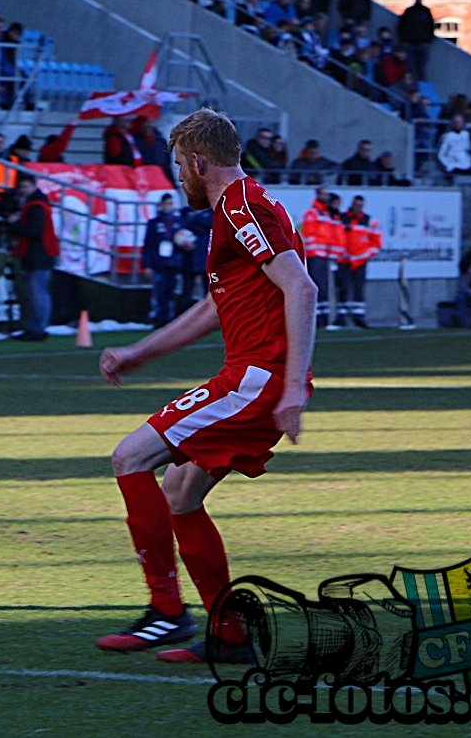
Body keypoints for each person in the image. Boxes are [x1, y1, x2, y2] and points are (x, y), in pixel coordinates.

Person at [95, 109, 316, 664]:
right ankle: (232, 637)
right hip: (255, 376)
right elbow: (215, 308)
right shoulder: (240, 209)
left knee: (130, 456)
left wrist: (290, 388)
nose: (177, 178)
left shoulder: (242, 206)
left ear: (198, 161)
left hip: (257, 379)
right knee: (180, 492)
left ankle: (166, 612)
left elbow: (302, 289)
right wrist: (141, 353)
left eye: (178, 166)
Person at [7, 172, 58, 341]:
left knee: (38, 294)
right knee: (36, 294)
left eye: (24, 186)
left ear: (33, 186)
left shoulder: (35, 206)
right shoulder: (37, 204)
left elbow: (34, 232)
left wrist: (15, 224)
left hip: (38, 255)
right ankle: (35, 328)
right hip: (39, 255)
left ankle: (39, 329)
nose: (22, 190)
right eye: (20, 186)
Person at [299, 185, 342, 327]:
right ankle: (315, 318)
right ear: (317, 194)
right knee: (317, 287)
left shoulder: (325, 214)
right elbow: (309, 236)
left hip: (323, 256)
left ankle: (324, 318)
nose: (326, 197)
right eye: (324, 194)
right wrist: (313, 253)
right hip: (315, 256)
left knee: (324, 288)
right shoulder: (312, 213)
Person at [142, 193, 184, 329]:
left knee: (170, 292)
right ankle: (158, 318)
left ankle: (169, 319)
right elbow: (148, 245)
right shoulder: (154, 223)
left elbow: (185, 242)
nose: (168, 206)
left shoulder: (179, 222)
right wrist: (147, 265)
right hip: (158, 264)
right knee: (159, 292)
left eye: (171, 204)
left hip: (173, 263)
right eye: (166, 204)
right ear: (161, 205)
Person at [337, 195, 379, 327]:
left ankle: (358, 316)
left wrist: (364, 256)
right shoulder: (342, 218)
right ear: (352, 204)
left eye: (360, 205)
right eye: (356, 204)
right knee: (343, 289)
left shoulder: (369, 221)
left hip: (360, 261)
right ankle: (342, 316)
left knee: (359, 289)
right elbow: (335, 237)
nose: (357, 207)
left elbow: (376, 243)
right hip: (344, 260)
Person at [177, 204, 213, 314]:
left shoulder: (213, 211)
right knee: (187, 289)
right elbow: (182, 224)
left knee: (208, 290)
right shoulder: (185, 211)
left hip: (207, 257)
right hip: (189, 258)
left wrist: (194, 218)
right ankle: (184, 315)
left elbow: (213, 223)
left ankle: (208, 316)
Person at [397, 0, 435, 80]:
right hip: (412, 44)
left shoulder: (425, 11)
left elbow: (431, 26)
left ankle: (420, 89)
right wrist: (404, 40)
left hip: (422, 44)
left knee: (421, 69)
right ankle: (414, 89)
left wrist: (429, 40)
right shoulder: (410, 11)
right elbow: (402, 26)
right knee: (411, 69)